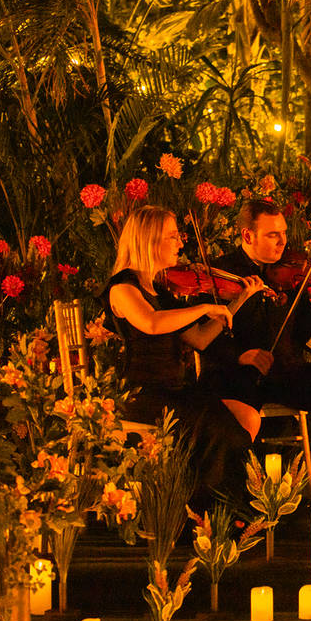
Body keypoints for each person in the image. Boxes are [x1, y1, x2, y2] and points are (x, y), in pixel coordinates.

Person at [199, 199, 311, 489]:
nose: (282, 242)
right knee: (236, 415)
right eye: (273, 234)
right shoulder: (219, 274)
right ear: (248, 236)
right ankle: (240, 493)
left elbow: (310, 340)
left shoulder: (292, 276)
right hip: (235, 374)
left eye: (283, 233)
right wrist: (239, 356)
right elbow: (200, 336)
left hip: (285, 373)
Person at [101, 205, 265, 501]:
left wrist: (237, 301)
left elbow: (199, 339)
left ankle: (226, 503)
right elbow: (151, 323)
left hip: (177, 390)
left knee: (247, 416)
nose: (180, 243)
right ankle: (209, 506)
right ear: (149, 239)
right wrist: (203, 307)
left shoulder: (161, 291)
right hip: (144, 393)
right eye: (173, 236)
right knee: (221, 432)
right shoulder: (123, 288)